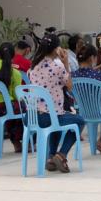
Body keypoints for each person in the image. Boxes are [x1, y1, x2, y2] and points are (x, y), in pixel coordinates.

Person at [28, 32, 85, 172]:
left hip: (32, 117)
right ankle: (61, 155)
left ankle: (50, 158)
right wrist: (66, 63)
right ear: (56, 49)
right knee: (79, 121)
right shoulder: (57, 67)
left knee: (57, 120)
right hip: (49, 116)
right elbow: (70, 86)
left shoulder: (32, 67)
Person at [0, 42, 25, 153]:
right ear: (13, 55)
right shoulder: (15, 73)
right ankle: (18, 140)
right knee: (25, 108)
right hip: (4, 108)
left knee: (12, 107)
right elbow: (17, 96)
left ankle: (15, 141)